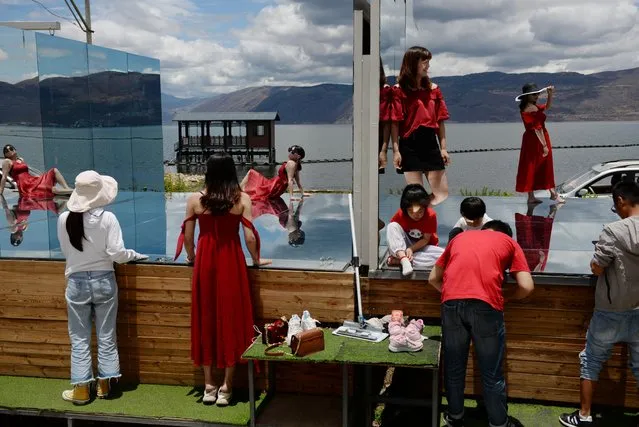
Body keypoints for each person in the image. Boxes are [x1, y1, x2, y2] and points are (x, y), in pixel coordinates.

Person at [175, 153, 271, 406]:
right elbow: (249, 236)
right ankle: (226, 387)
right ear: (232, 172)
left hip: (205, 263)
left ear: (208, 172)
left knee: (205, 317)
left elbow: (188, 237)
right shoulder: (241, 200)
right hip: (231, 262)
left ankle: (209, 385)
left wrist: (191, 257)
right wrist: (257, 260)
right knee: (232, 318)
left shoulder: (195, 199)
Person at [429, 220, 534, 427]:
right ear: (505, 235)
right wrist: (506, 297)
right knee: (491, 371)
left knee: (454, 366)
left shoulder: (460, 237)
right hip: (486, 305)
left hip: (450, 304)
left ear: (484, 230)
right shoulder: (509, 242)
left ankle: (455, 417)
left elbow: (433, 278)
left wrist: (455, 293)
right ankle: (498, 422)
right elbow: (527, 286)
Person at [57, 171, 147, 404]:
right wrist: (134, 255)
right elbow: (117, 253)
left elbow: (67, 253)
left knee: (79, 338)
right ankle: (104, 386)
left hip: (76, 282)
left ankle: (80, 390)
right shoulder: (107, 219)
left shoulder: (63, 219)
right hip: (104, 280)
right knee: (106, 334)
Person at [559, 181, 639, 427]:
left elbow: (597, 268)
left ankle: (584, 416)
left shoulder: (613, 231)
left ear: (620, 201)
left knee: (591, 361)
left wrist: (595, 261)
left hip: (610, 310)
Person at [396, 46, 451, 205]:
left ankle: (418, 211)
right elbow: (394, 124)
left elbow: (440, 121)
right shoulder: (399, 91)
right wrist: (396, 151)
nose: (428, 66)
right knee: (415, 195)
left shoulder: (434, 90)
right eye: (424, 62)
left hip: (429, 141)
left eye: (428, 62)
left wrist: (443, 148)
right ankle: (416, 219)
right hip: (408, 143)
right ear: (413, 63)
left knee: (442, 193)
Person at [515, 84, 564, 204]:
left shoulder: (530, 106)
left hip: (531, 139)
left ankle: (532, 196)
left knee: (530, 166)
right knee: (543, 165)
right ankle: (553, 194)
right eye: (534, 94)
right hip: (537, 140)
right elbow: (537, 129)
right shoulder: (530, 108)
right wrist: (544, 146)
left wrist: (550, 94)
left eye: (537, 94)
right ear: (527, 96)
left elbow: (547, 106)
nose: (537, 96)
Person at [386, 184, 444, 276]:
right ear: (406, 209)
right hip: (403, 247)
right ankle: (404, 259)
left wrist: (411, 249)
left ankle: (398, 260)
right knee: (392, 226)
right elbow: (394, 235)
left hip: (423, 247)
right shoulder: (400, 214)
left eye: (420, 211)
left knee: (444, 256)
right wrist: (406, 250)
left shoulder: (430, 215)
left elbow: (425, 239)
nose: (416, 215)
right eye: (411, 212)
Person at [0, 144, 72, 197]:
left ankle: (67, 188)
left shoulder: (21, 159)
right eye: (6, 150)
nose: (9, 151)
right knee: (52, 189)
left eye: (11, 149)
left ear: (15, 150)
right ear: (5, 154)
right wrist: (1, 192)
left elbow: (26, 172)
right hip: (25, 185)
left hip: (32, 180)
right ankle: (74, 191)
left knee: (54, 170)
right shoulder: (7, 161)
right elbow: (4, 177)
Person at [240, 145, 307, 201]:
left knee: (251, 172)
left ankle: (239, 191)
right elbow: (298, 182)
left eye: (292, 152)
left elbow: (290, 180)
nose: (290, 153)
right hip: (277, 187)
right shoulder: (296, 165)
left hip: (274, 186)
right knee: (254, 182)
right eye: (290, 151)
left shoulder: (291, 163)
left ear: (298, 156)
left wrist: (291, 197)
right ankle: (240, 191)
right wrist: (302, 193)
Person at [1, 195, 66, 247]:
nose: (18, 238)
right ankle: (68, 199)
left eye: (15, 239)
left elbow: (5, 208)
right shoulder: (24, 228)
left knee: (53, 205)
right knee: (58, 211)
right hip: (32, 204)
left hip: (22, 200)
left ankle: (59, 198)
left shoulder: (13, 225)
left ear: (12, 237)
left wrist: (1, 196)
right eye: (19, 241)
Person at [515, 203, 560, 273]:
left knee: (528, 234)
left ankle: (549, 211)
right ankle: (533, 208)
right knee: (527, 233)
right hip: (531, 259)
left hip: (530, 260)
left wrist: (541, 262)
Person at [379, 62, 402, 174]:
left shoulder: (386, 91)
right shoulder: (387, 91)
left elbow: (389, 121)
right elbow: (389, 121)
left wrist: (384, 149)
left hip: (406, 139)